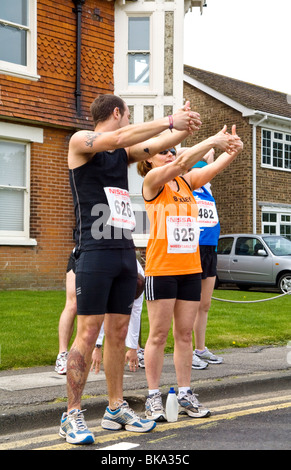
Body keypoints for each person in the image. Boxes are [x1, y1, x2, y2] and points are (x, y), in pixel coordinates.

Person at [59, 93, 201, 445]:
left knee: (119, 334)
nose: (127, 124)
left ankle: (115, 407)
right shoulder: (81, 141)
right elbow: (122, 137)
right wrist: (169, 120)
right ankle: (72, 414)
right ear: (118, 113)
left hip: (124, 250)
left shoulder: (120, 154)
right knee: (89, 331)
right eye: (126, 117)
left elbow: (155, 146)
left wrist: (183, 129)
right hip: (93, 251)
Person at [137, 125, 243, 422]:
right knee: (158, 335)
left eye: (172, 150)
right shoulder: (152, 181)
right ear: (149, 160)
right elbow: (183, 162)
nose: (170, 154)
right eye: (164, 151)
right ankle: (153, 397)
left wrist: (231, 150)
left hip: (190, 269)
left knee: (184, 335)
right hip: (161, 269)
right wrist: (212, 140)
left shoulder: (186, 182)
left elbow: (213, 168)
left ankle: (185, 392)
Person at [191, 149, 224, 369]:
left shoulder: (208, 190)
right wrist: (206, 151)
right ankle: (186, 351)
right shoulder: (188, 187)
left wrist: (211, 155)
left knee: (205, 304)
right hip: (192, 249)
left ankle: (200, 348)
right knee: (188, 305)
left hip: (210, 249)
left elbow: (212, 165)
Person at [91, 259, 145, 373]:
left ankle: (136, 349)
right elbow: (101, 311)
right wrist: (97, 347)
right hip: (96, 265)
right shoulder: (108, 277)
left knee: (123, 319)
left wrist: (132, 348)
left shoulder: (140, 279)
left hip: (123, 272)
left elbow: (135, 314)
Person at [55, 249, 77, 375]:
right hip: (81, 254)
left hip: (108, 257)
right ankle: (62, 355)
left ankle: (77, 354)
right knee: (72, 304)